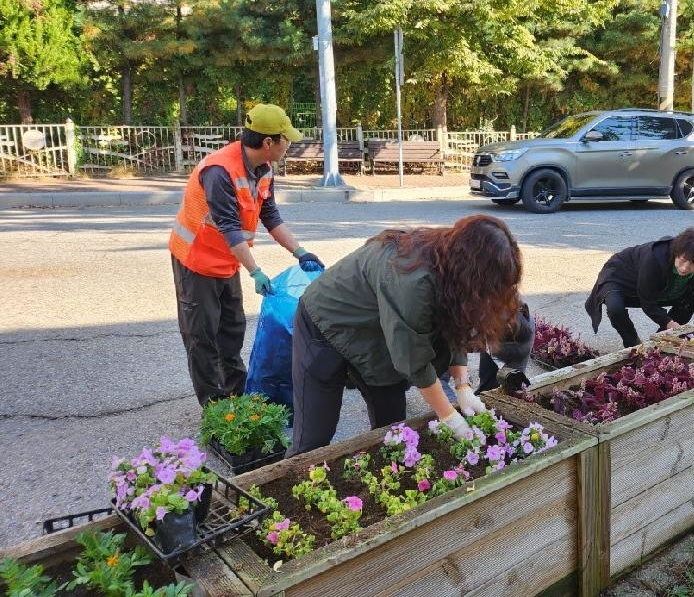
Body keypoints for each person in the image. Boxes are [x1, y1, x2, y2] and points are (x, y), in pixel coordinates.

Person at [287, 214, 522, 457]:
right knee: (313, 440)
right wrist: (450, 417)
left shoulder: (451, 265)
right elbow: (414, 359)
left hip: (378, 332)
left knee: (393, 429)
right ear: (471, 271)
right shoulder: (414, 280)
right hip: (326, 323)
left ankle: (384, 479)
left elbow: (455, 324)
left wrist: (463, 386)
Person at [169, 103, 324, 407]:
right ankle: (214, 408)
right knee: (202, 336)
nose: (289, 146)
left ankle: (236, 395)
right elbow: (228, 227)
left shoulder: (263, 170)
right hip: (196, 262)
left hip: (227, 261)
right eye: (286, 140)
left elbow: (271, 217)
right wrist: (255, 270)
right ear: (269, 142)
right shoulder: (219, 171)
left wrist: (301, 252)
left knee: (232, 328)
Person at [584, 228, 694, 349]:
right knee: (615, 307)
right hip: (621, 276)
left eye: (693, 264)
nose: (685, 268)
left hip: (661, 287)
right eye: (683, 260)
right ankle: (633, 344)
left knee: (688, 303)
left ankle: (658, 344)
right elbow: (647, 302)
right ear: (676, 252)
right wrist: (669, 322)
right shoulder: (654, 258)